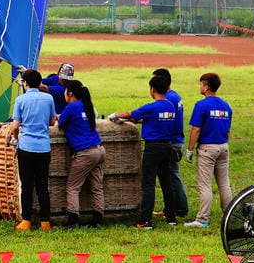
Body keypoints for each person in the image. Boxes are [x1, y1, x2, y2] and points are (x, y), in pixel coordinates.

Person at [109, 74, 184, 229]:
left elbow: (130, 113)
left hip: (153, 148)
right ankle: (171, 217)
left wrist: (115, 115)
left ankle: (145, 220)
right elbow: (147, 119)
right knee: (166, 183)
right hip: (167, 146)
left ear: (152, 89)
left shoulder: (151, 107)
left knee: (148, 183)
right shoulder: (170, 106)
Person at [10, 69, 57, 230]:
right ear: (39, 83)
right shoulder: (49, 98)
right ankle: (45, 222)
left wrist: (16, 138)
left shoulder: (20, 100)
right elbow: (52, 122)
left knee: (27, 186)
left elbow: (15, 126)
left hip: (26, 147)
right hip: (43, 148)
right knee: (43, 186)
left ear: (25, 83)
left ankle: (26, 221)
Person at [185, 72, 233, 229]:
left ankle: (202, 219)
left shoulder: (201, 105)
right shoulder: (226, 106)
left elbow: (196, 130)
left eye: (201, 84)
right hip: (223, 147)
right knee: (224, 184)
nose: (200, 87)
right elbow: (227, 130)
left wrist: (190, 149)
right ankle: (229, 216)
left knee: (205, 185)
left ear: (206, 87)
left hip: (207, 149)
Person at [57, 79, 105, 228]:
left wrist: (59, 117)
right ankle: (97, 220)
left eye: (65, 91)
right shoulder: (86, 104)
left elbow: (59, 124)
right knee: (97, 187)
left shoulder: (71, 107)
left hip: (85, 153)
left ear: (70, 93)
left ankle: (73, 220)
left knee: (72, 187)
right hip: (99, 150)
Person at [152, 67, 189, 217]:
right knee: (170, 175)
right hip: (176, 139)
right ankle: (171, 208)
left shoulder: (169, 99)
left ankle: (180, 209)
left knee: (172, 176)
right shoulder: (175, 96)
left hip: (172, 141)